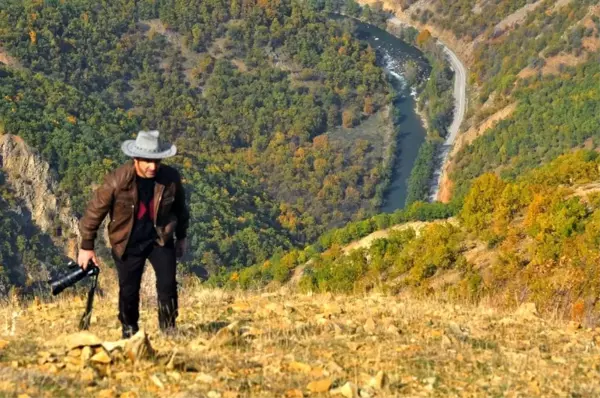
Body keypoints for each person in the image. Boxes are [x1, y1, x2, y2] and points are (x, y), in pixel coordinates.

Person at [77, 130, 189, 338]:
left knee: (167, 285)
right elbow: (94, 212)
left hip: (160, 237)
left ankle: (169, 329)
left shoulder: (170, 178)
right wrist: (86, 246)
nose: (152, 166)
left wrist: (181, 236)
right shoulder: (118, 180)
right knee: (129, 290)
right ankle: (129, 330)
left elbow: (180, 209)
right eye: (147, 161)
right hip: (127, 240)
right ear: (135, 158)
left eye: (156, 160)